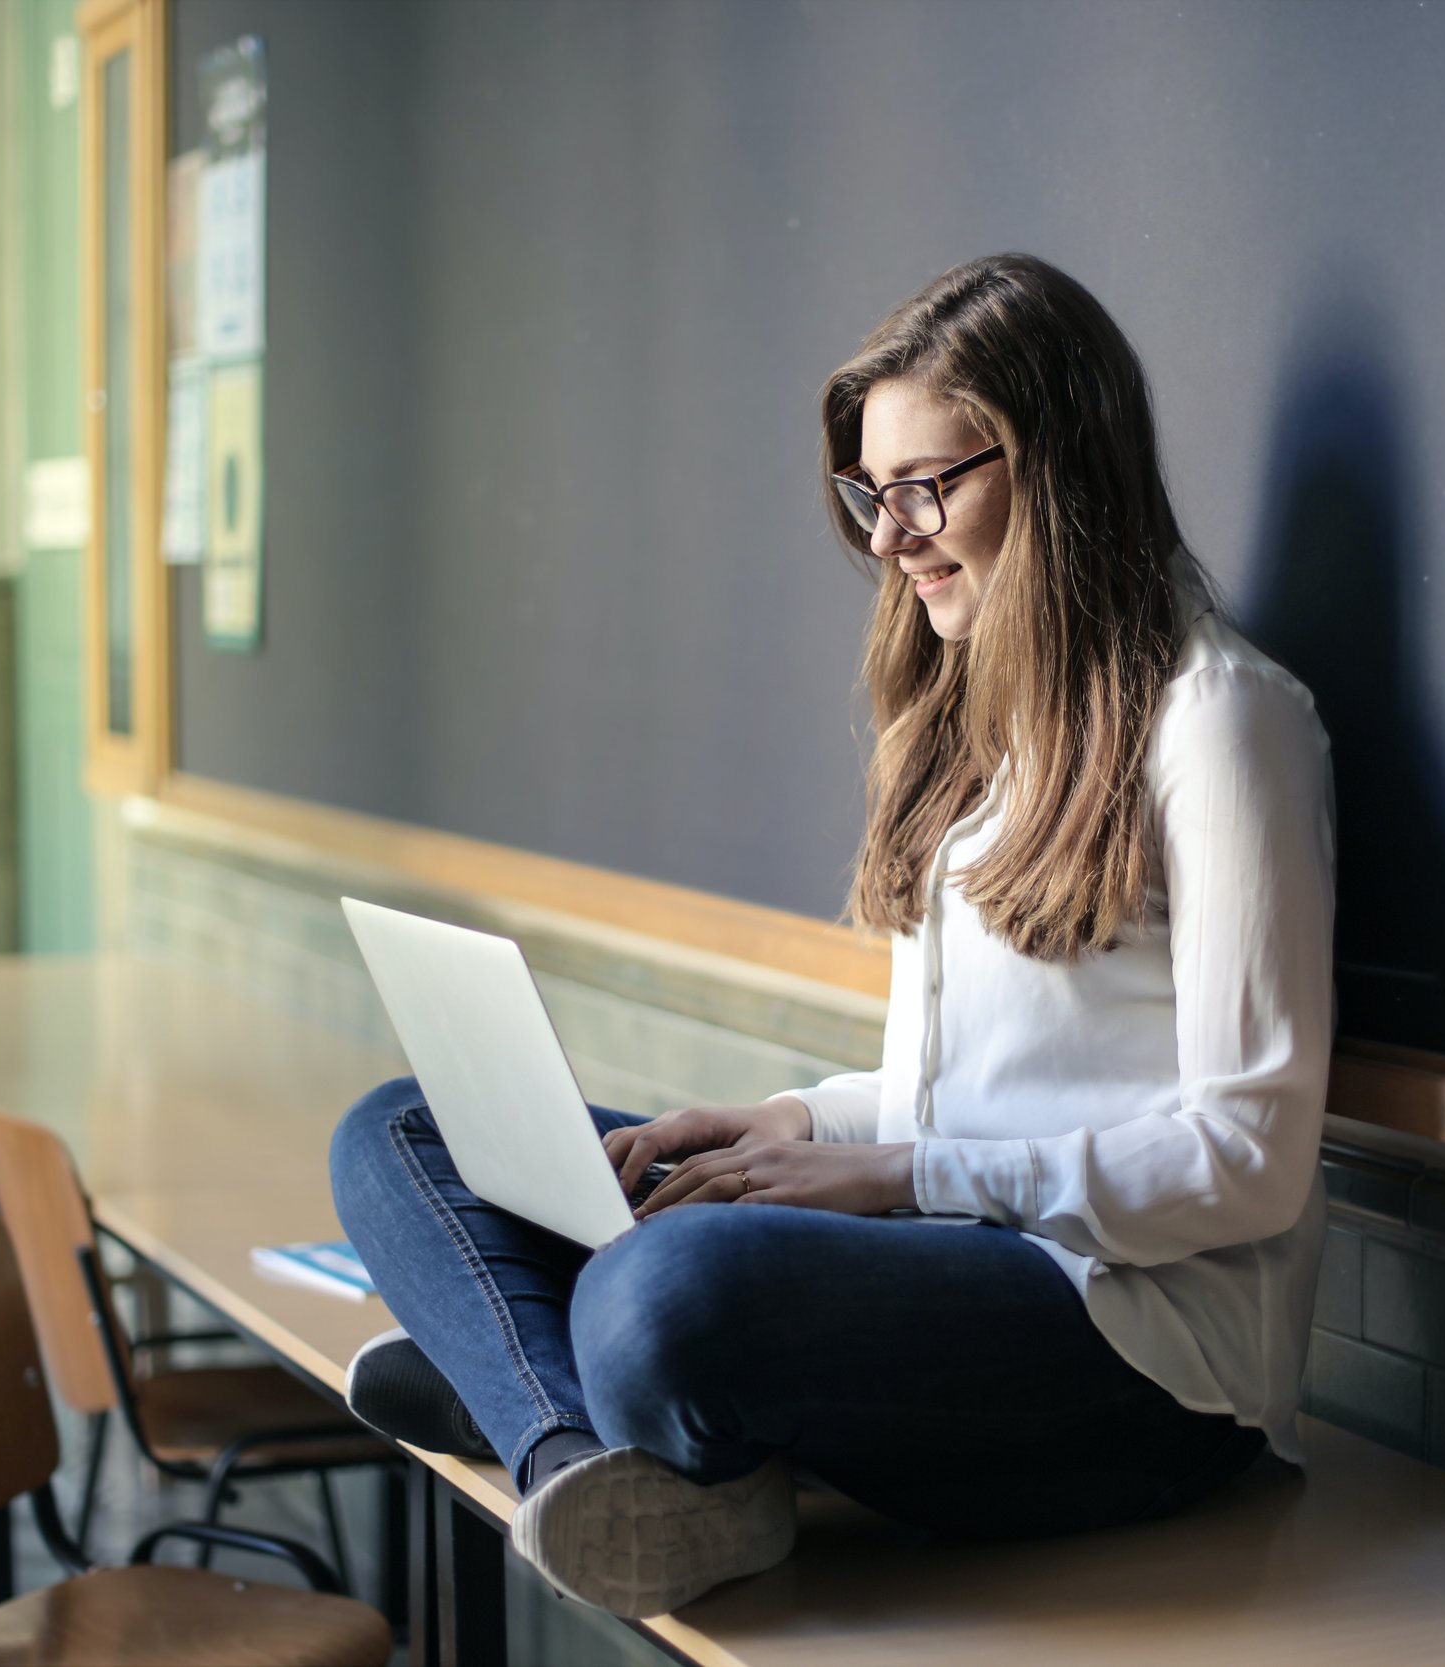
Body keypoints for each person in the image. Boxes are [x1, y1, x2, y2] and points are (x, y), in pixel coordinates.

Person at [329, 251, 1338, 1621]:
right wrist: (785, 1121)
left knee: (669, 1290)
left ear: (1058, 468)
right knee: (401, 1129)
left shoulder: (1222, 722)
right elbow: (957, 1096)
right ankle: (589, 1460)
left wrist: (898, 1181)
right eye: (873, 493)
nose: (888, 535)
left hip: (1143, 1361)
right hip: (953, 1254)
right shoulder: (976, 730)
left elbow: (1252, 1164)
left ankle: (536, 1378)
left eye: (929, 486)